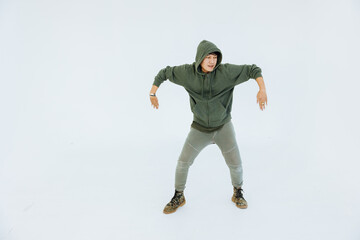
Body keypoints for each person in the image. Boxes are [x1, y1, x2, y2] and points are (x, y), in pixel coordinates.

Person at [149, 40, 267, 214]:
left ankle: (238, 192)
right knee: (183, 162)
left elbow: (253, 69)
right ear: (200, 59)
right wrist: (153, 92)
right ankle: (178, 195)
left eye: (214, 57)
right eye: (208, 57)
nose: (212, 61)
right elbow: (164, 73)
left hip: (223, 127)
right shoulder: (187, 73)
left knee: (235, 163)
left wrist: (262, 89)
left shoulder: (225, 72)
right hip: (199, 128)